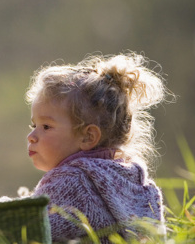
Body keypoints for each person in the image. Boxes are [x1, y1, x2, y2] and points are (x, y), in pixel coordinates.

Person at [24, 52, 171, 242]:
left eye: (46, 127)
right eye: (33, 126)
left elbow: (27, 229)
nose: (32, 136)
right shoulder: (140, 185)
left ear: (88, 136)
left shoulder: (71, 181)